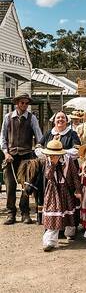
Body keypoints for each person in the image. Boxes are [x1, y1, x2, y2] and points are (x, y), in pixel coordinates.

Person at [1, 93, 43, 225]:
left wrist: (37, 150)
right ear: (17, 103)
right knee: (10, 185)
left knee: (26, 186)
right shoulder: (8, 117)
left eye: (26, 103)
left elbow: (39, 137)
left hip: (26, 156)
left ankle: (25, 213)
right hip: (11, 157)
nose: (24, 105)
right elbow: (2, 137)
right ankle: (11, 213)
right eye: (22, 103)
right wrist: (6, 153)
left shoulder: (32, 118)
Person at [38, 111, 82, 232]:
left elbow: (77, 150)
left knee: (68, 199)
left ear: (67, 120)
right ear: (54, 120)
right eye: (58, 118)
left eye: (63, 118)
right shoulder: (49, 133)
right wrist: (48, 156)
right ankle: (52, 225)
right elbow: (38, 147)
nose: (60, 120)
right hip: (50, 169)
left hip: (67, 169)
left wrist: (62, 154)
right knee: (51, 197)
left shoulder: (71, 134)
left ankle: (68, 226)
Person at [40, 140, 82, 251]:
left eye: (55, 154)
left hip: (65, 189)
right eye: (50, 154)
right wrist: (53, 164)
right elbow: (48, 176)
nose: (52, 156)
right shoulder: (48, 161)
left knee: (68, 212)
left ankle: (70, 232)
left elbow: (74, 175)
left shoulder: (68, 160)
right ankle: (50, 241)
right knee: (53, 214)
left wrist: (78, 190)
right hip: (53, 190)